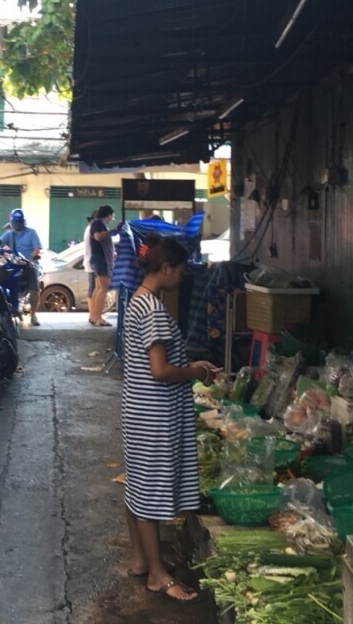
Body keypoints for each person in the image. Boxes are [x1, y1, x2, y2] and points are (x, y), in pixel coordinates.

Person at [121, 234, 220, 604]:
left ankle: (140, 561)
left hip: (139, 410)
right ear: (165, 269)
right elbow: (160, 371)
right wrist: (195, 371)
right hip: (155, 415)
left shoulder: (138, 300)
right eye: (180, 270)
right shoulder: (152, 310)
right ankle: (158, 576)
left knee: (137, 487)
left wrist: (193, 366)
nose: (182, 277)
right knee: (150, 493)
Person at [0, 209, 42, 326]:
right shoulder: (9, 235)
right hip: (13, 265)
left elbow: (37, 248)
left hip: (28, 265)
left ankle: (33, 315)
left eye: (20, 221)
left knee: (34, 288)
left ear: (24, 221)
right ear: (12, 222)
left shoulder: (31, 233)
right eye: (16, 221)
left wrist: (31, 259)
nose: (18, 224)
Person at [87, 205, 121, 327]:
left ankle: (94, 316)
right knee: (103, 288)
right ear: (108, 215)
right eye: (112, 216)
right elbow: (98, 236)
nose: (112, 219)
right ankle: (98, 317)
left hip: (97, 259)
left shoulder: (98, 223)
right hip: (100, 259)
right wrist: (113, 231)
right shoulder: (98, 223)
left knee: (98, 288)